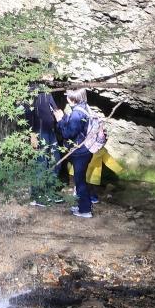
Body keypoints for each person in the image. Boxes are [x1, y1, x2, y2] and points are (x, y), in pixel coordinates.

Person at [55, 87, 95, 218]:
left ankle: (85, 210)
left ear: (72, 99)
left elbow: (67, 133)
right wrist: (65, 117)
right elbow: (77, 128)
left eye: (67, 96)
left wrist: (60, 120)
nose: (66, 97)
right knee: (80, 180)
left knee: (80, 181)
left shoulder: (77, 114)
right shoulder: (85, 107)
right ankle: (82, 205)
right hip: (85, 150)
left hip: (80, 152)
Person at [23, 81, 63, 206]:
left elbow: (54, 108)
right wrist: (32, 134)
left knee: (55, 160)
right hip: (38, 131)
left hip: (50, 130)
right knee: (41, 162)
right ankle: (37, 196)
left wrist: (60, 117)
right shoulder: (31, 90)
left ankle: (50, 191)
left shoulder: (47, 90)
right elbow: (28, 113)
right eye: (49, 74)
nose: (52, 77)